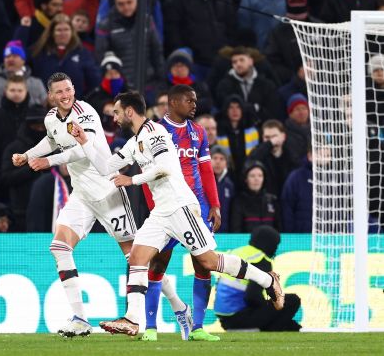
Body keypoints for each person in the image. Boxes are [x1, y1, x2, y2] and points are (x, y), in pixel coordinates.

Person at [68, 91, 284, 337]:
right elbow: (105, 167)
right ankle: (132, 319)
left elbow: (166, 168)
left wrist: (132, 179)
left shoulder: (156, 133)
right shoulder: (133, 143)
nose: (114, 117)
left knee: (209, 262)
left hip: (180, 206)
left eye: (117, 112)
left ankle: (268, 280)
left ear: (129, 111)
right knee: (138, 258)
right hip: (161, 211)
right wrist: (84, 141)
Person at [11, 72, 138, 337]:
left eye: (68, 89)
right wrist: (28, 155)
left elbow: (83, 149)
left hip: (107, 192)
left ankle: (177, 305)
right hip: (81, 195)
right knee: (59, 247)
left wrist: (48, 162)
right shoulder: (50, 119)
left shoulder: (86, 112)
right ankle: (80, 318)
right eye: (59, 92)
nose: (66, 95)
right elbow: (52, 139)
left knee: (137, 257)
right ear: (50, 96)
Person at [141, 85, 222, 342]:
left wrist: (215, 205)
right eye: (189, 100)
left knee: (203, 264)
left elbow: (206, 171)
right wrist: (155, 208)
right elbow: (146, 176)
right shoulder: (153, 132)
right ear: (172, 102)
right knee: (157, 263)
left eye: (195, 100)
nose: (194, 104)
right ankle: (151, 328)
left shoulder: (198, 132)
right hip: (166, 207)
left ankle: (197, 327)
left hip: (196, 207)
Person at [215, 225, 301, 331]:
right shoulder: (260, 260)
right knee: (292, 300)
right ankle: (272, 328)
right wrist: (270, 309)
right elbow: (252, 296)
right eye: (275, 245)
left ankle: (281, 325)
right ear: (269, 243)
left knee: (288, 322)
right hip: (241, 316)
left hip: (224, 320)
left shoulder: (236, 253)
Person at [95, 0, 164, 86]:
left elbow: (156, 51)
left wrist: (161, 78)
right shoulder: (106, 25)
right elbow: (101, 54)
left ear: (136, 1)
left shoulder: (147, 20)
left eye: (129, 2)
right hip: (121, 85)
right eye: (121, 4)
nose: (126, 7)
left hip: (148, 82)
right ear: (115, 4)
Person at [1, 105, 48, 232]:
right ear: (27, 125)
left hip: (51, 210)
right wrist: (31, 168)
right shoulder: (14, 149)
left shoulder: (54, 148)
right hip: (21, 211)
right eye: (35, 126)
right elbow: (6, 178)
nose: (39, 129)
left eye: (42, 126)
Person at [30, 14, 100, 99]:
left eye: (66, 29)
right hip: (44, 105)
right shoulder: (38, 52)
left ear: (72, 32)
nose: (63, 33)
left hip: (75, 106)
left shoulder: (83, 53)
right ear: (52, 33)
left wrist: (82, 100)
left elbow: (94, 82)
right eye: (59, 30)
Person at [215, 47, 283, 126]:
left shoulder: (267, 85)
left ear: (251, 61)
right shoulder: (224, 85)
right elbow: (225, 110)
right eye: (234, 62)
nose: (238, 64)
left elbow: (272, 111)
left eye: (241, 60)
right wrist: (255, 108)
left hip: (261, 127)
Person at [0, 40, 47, 112]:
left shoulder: (36, 83)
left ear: (23, 60)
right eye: (7, 57)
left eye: (15, 56)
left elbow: (44, 105)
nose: (10, 59)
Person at [248, 119, 300, 197]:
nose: (272, 141)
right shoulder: (260, 153)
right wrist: (269, 144)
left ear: (283, 136)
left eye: (274, 137)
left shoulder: (291, 154)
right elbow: (251, 159)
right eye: (267, 137)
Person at [0, 75, 31, 162]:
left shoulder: (33, 116)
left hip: (29, 164)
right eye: (12, 90)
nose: (16, 93)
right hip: (2, 162)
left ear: (26, 91)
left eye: (20, 90)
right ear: (5, 92)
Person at [230, 161, 281, 233]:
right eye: (252, 176)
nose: (256, 179)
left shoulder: (272, 200)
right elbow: (236, 230)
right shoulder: (238, 201)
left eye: (260, 175)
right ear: (246, 179)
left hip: (269, 243)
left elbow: (279, 228)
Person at [281, 145, 312, 233]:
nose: (325, 159)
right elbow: (287, 205)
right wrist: (290, 232)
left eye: (328, 156)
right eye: (322, 155)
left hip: (329, 236)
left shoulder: (335, 178)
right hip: (300, 234)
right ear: (310, 156)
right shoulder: (296, 177)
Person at [211, 146, 235, 234]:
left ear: (226, 163)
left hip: (225, 233)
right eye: (215, 158)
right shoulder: (201, 182)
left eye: (222, 159)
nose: (218, 162)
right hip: (205, 232)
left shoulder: (230, 185)